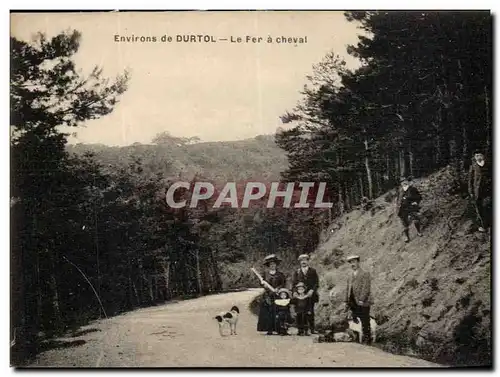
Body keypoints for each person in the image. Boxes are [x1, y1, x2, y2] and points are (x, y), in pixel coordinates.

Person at [344, 255, 373, 345]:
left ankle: (367, 338)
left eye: (354, 262)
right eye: (351, 262)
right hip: (352, 301)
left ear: (358, 262)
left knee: (365, 319)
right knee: (354, 318)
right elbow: (348, 289)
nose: (352, 264)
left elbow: (366, 288)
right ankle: (356, 337)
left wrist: (361, 299)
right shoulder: (350, 275)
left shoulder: (365, 273)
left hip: (362, 301)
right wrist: (346, 301)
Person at [256, 254, 287, 335]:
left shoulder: (280, 274)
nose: (272, 265)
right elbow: (261, 283)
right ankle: (269, 329)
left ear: (276, 265)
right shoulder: (265, 274)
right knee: (268, 312)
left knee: (277, 311)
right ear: (268, 265)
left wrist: (278, 288)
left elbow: (283, 283)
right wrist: (263, 284)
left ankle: (278, 329)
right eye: (271, 264)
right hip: (267, 295)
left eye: (274, 264)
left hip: (277, 295)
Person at [291, 254, 319, 333]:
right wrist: (294, 292)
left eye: (305, 260)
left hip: (310, 295)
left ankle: (312, 329)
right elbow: (293, 284)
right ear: (300, 262)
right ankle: (301, 329)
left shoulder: (313, 271)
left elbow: (316, 283)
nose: (303, 262)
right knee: (299, 312)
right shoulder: (297, 272)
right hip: (300, 295)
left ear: (308, 261)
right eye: (302, 260)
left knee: (310, 311)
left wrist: (312, 290)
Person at [468, 151, 491, 232]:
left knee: (487, 206)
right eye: (476, 156)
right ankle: (483, 225)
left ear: (483, 156)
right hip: (477, 191)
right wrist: (471, 191)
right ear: (474, 157)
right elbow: (470, 180)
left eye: (480, 155)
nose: (478, 157)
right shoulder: (473, 166)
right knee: (478, 207)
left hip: (488, 190)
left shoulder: (488, 165)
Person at [396, 177, 423, 243]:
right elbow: (398, 200)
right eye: (402, 182)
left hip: (412, 207)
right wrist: (398, 207)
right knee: (405, 225)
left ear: (407, 181)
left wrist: (416, 202)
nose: (404, 182)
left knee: (416, 220)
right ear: (400, 183)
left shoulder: (412, 189)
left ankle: (419, 232)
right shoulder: (400, 191)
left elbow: (419, 197)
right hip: (402, 209)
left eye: (405, 181)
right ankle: (407, 237)